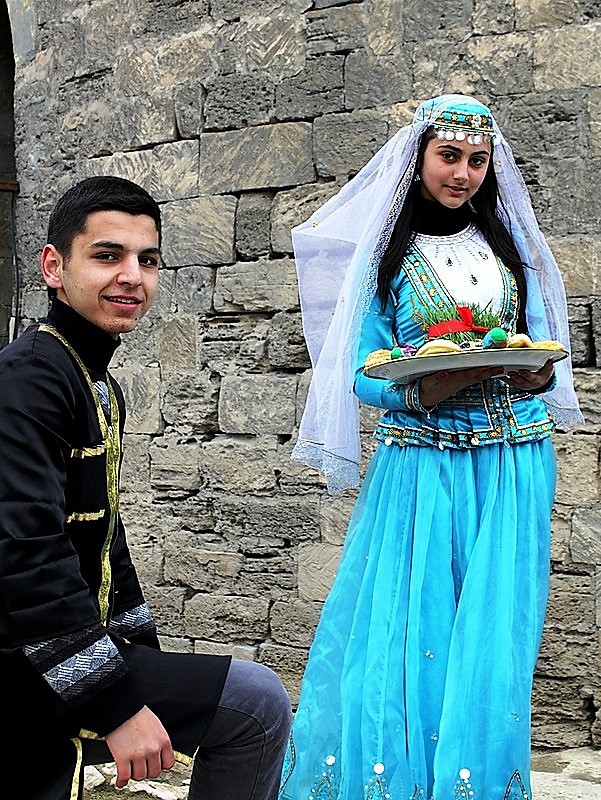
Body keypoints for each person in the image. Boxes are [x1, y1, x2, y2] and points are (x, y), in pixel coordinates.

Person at [279, 95, 583, 800]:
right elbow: (362, 372)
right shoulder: (387, 257)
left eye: (477, 160)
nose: (463, 173)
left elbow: (539, 351)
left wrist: (537, 374)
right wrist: (432, 384)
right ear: (417, 158)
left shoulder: (508, 250)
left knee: (493, 636)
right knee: (407, 626)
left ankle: (474, 784)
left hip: (513, 460)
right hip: (423, 460)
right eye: (449, 156)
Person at [0, 175, 292, 800]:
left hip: (56, 648)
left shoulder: (94, 380)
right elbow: (25, 556)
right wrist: (118, 705)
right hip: (22, 659)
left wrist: (139, 653)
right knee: (256, 705)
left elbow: (105, 534)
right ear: (54, 267)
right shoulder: (29, 381)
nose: (132, 276)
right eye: (108, 255)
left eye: (148, 259)